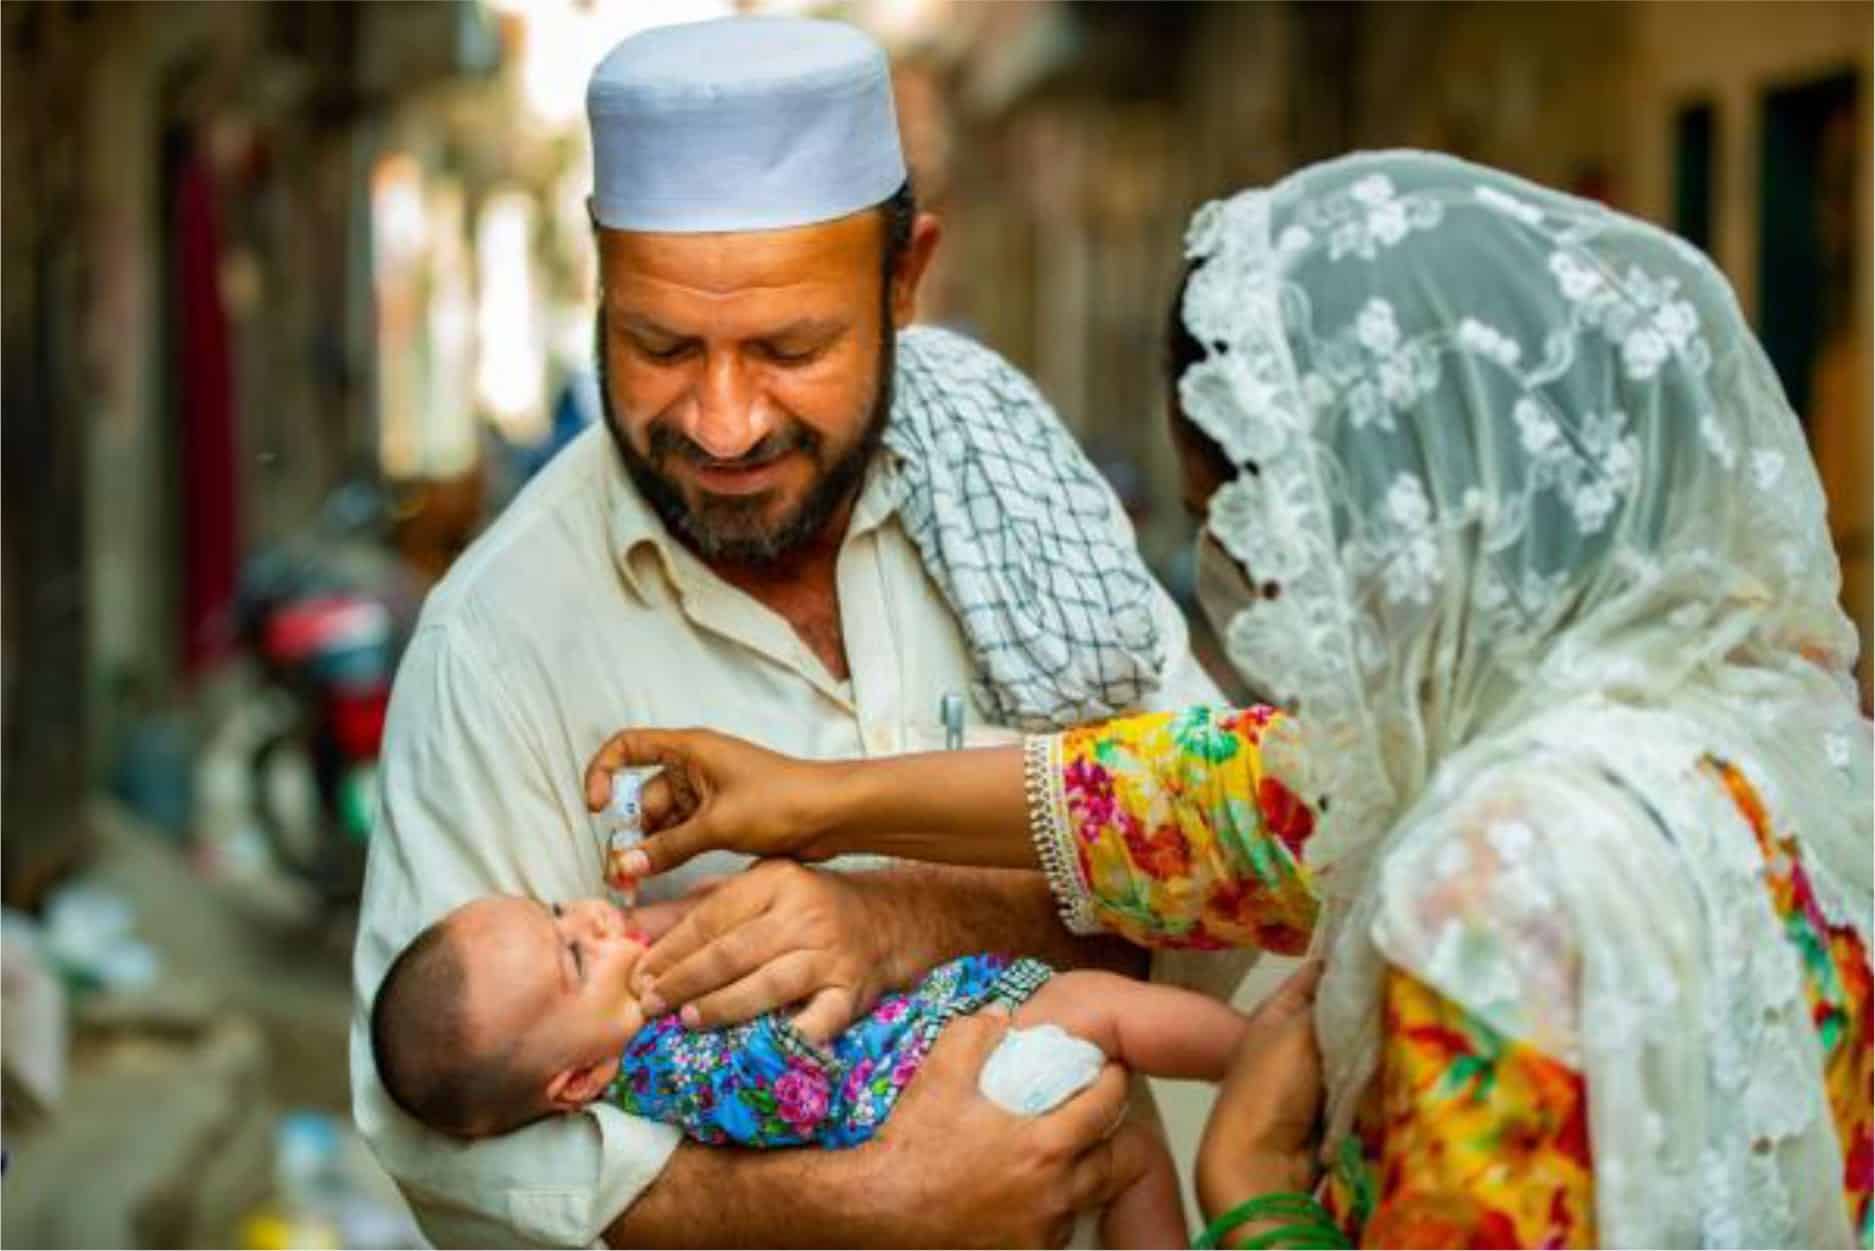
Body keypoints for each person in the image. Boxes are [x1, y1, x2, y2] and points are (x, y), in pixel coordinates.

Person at [588, 152, 1874, 1248]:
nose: (1247, 599)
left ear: (1395, 522)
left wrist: (1250, 1186)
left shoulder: (1497, 882)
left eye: (1251, 531)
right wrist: (820, 806)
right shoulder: (1727, 740)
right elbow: (1192, 801)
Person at [349, 15, 1232, 1248]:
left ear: (907, 281)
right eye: (660, 346)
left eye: (791, 348)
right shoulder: (497, 643)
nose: (721, 423)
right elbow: (455, 1158)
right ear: (601, 287)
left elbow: (1232, 863)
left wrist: (898, 922)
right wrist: (857, 1205)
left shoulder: (1029, 516)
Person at [369, 894, 1273, 1248]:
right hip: (926, 1097)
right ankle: (1268, 1061)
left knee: (1132, 1155)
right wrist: (812, 1004)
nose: (598, 922)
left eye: (562, 909)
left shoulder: (640, 1040)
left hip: (920, 1084)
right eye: (573, 953)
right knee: (1096, 1009)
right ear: (573, 1082)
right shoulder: (666, 1060)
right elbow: (791, 1088)